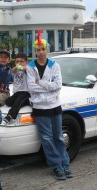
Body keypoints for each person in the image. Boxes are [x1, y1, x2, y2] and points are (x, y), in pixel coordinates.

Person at [26, 30, 73, 180]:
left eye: (43, 49)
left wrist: (40, 82)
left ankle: (65, 164)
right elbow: (31, 87)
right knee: (46, 138)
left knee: (58, 136)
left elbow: (58, 85)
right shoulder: (30, 67)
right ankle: (56, 166)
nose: (41, 52)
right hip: (40, 107)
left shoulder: (55, 65)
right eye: (38, 49)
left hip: (54, 105)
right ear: (35, 51)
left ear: (47, 49)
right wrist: (47, 85)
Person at [3, 53, 30, 124]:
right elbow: (13, 71)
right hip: (17, 93)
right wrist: (17, 67)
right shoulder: (15, 70)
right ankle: (26, 101)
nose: (19, 63)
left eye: (21, 61)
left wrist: (21, 67)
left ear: (26, 62)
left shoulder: (29, 69)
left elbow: (25, 69)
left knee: (17, 103)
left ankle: (10, 116)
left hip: (25, 92)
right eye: (17, 61)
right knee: (8, 102)